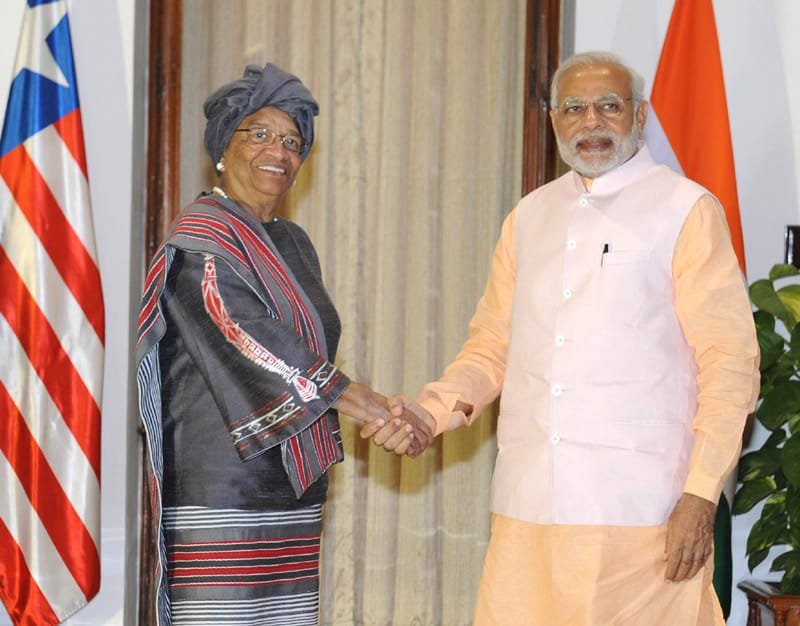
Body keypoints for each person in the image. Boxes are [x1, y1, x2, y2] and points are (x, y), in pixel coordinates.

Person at [364, 51, 759, 625]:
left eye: (608, 105)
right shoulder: (529, 217)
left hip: (640, 512)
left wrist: (701, 493)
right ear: (553, 121)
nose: (590, 121)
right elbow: (491, 345)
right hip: (527, 506)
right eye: (573, 108)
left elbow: (730, 362)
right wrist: (432, 412)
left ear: (639, 116)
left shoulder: (685, 210)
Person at [136, 62, 432, 625]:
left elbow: (309, 349)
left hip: (293, 486)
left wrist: (366, 405)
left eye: (293, 141)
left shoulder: (291, 242)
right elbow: (247, 337)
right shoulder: (200, 239)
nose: (279, 151)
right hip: (222, 491)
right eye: (260, 134)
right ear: (224, 146)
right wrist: (373, 408)